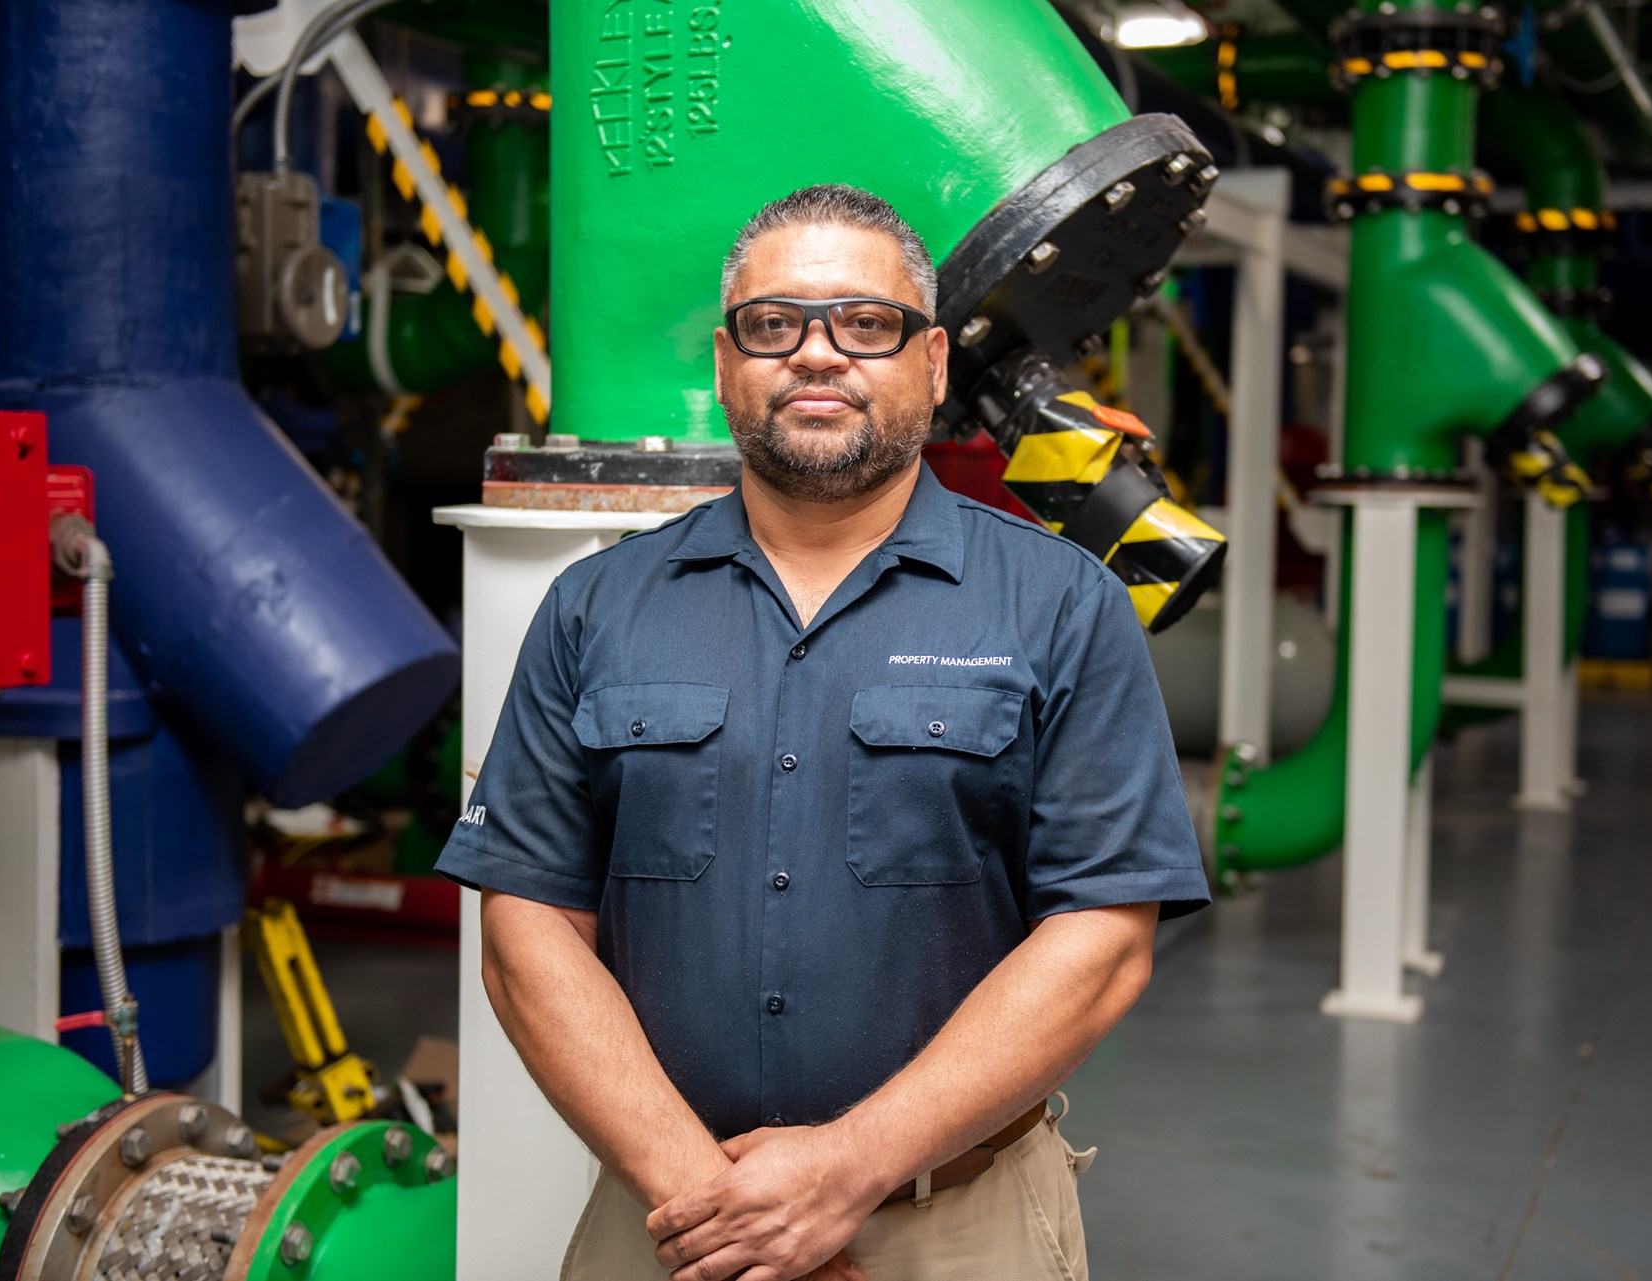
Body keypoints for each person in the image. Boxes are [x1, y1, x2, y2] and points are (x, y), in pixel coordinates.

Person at [437, 184, 1209, 1281]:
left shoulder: (1062, 605)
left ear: (934, 363)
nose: (816, 353)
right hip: (671, 1227)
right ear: (724, 364)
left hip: (958, 1229)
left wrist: (846, 1168)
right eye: (774, 324)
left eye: (866, 323)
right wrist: (719, 1208)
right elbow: (527, 932)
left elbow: (1101, 941)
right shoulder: (596, 607)